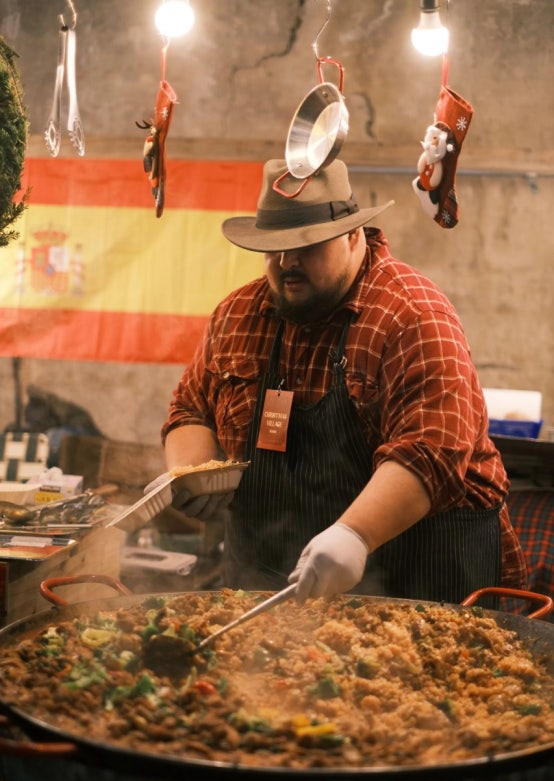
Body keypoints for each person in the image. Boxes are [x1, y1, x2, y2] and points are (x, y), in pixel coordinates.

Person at [160, 158, 526, 605]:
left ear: (354, 235)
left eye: (306, 245)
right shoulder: (237, 314)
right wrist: (194, 473)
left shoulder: (411, 314)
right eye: (273, 247)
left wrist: (354, 535)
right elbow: (191, 408)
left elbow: (432, 450)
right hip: (264, 589)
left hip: (416, 585)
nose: (287, 262)